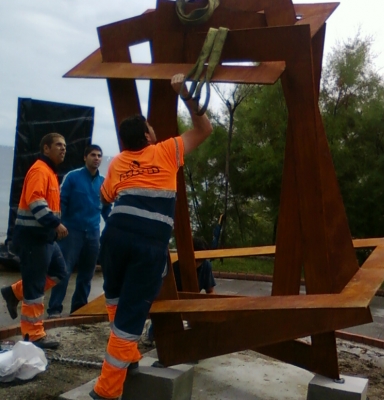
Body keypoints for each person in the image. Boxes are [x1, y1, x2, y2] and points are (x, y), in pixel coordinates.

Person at [89, 73, 212, 400]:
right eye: (151, 128)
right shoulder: (166, 151)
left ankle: (126, 356)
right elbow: (204, 130)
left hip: (114, 238)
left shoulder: (117, 162)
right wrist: (185, 92)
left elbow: (104, 197)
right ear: (146, 134)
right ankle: (107, 389)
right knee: (131, 312)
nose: (156, 131)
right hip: (147, 244)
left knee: (115, 299)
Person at [0, 133, 69, 349]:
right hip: (34, 239)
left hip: (44, 238)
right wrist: (54, 223)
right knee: (35, 288)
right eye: (58, 145)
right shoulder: (40, 170)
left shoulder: (50, 172)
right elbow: (36, 201)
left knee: (59, 272)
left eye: (65, 146)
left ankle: (13, 292)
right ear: (46, 149)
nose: (63, 149)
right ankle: (33, 335)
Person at [47, 144, 112, 318]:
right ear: (85, 157)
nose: (96, 158)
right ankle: (54, 309)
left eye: (99, 155)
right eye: (93, 155)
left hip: (92, 233)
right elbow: (61, 202)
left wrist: (112, 226)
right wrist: (58, 224)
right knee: (64, 271)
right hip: (71, 232)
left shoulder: (103, 182)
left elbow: (106, 209)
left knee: (86, 273)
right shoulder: (72, 177)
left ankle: (79, 310)